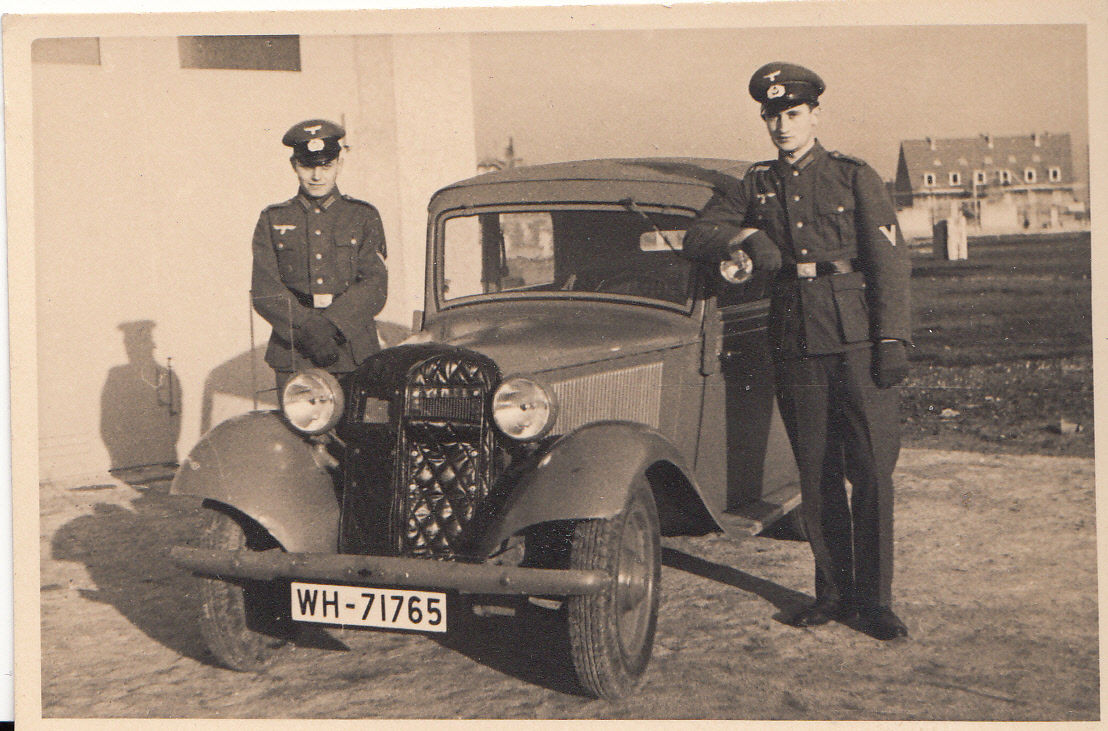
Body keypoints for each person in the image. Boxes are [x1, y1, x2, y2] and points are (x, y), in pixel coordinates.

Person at [683, 63, 911, 640]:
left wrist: (892, 338)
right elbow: (698, 236)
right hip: (795, 342)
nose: (782, 126)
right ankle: (832, 594)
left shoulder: (853, 176)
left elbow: (888, 265)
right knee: (816, 472)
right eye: (772, 116)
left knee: (872, 471)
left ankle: (875, 601)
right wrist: (746, 236)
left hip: (858, 341)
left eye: (792, 114)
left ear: (814, 115)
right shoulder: (754, 185)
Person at [251, 119, 388, 392]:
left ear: (339, 164)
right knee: (298, 431)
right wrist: (307, 328)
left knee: (358, 432)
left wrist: (333, 326)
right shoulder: (272, 219)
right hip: (295, 352)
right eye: (307, 166)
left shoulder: (362, 216)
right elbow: (265, 290)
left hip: (352, 348)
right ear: (294, 165)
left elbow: (375, 284)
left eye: (326, 166)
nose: (317, 176)